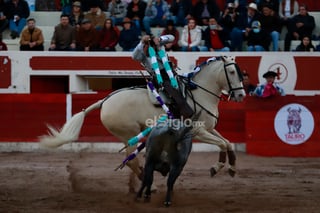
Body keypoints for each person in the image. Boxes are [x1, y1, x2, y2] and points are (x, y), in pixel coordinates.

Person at [132, 34, 194, 118]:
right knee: (171, 90)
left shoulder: (160, 45)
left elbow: (172, 37)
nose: (156, 43)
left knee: (187, 84)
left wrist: (160, 38)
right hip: (159, 77)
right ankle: (185, 113)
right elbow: (134, 57)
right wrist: (141, 43)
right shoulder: (143, 52)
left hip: (171, 73)